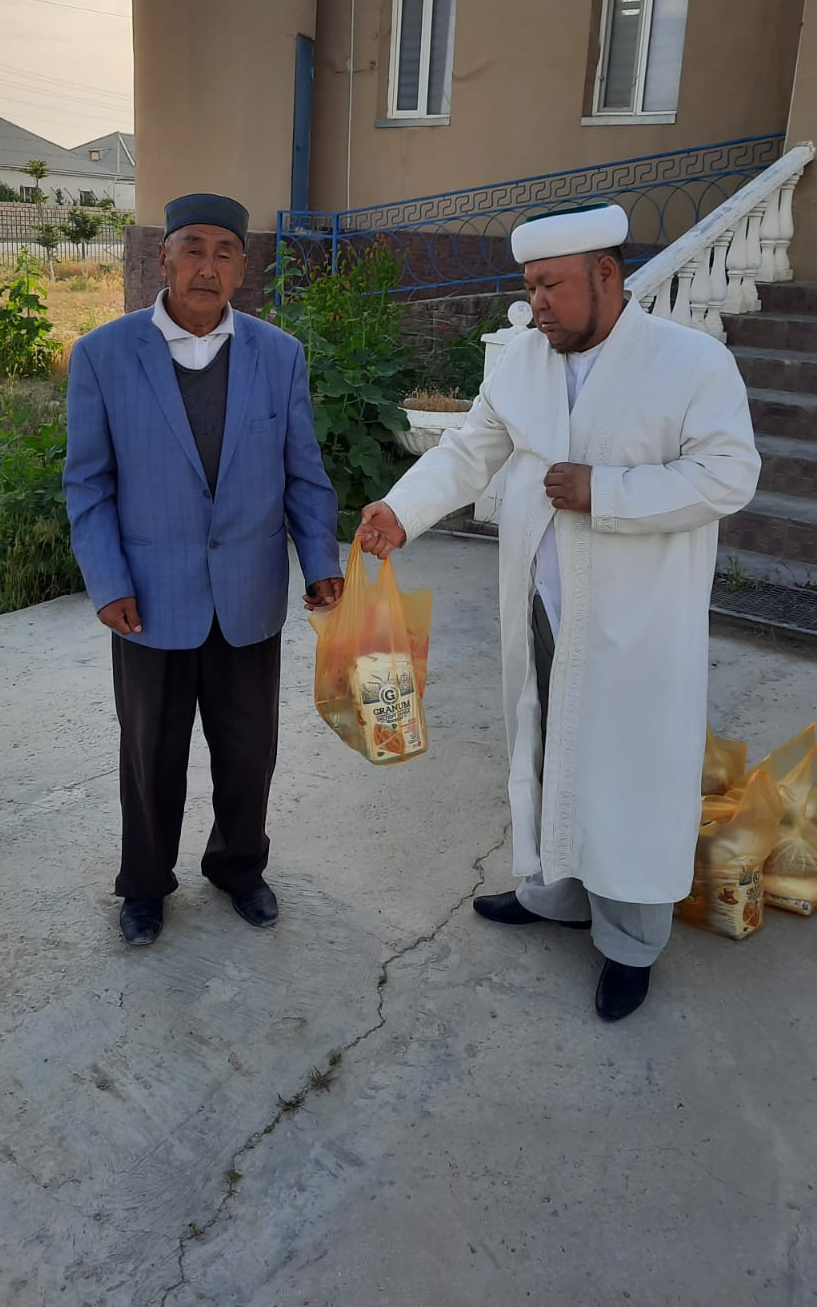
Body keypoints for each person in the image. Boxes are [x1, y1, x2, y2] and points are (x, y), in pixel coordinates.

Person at [359, 203, 760, 1022]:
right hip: (541, 605)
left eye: (551, 286)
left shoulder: (690, 362)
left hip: (636, 624)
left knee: (629, 774)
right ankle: (554, 895)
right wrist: (402, 510)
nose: (536, 303)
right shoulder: (525, 365)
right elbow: (471, 450)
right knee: (545, 747)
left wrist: (605, 492)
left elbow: (730, 474)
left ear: (606, 275)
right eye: (530, 287)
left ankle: (631, 943)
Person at [64, 192, 342, 946]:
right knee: (150, 753)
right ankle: (145, 885)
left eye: (224, 253)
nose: (207, 268)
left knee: (249, 752)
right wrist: (108, 581)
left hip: (249, 594)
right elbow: (88, 483)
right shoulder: (103, 355)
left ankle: (239, 868)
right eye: (192, 249)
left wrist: (321, 562)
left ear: (244, 268)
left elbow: (304, 473)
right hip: (149, 601)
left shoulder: (278, 355)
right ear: (163, 257)